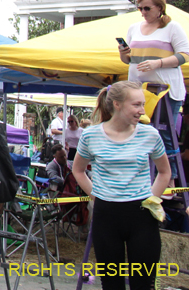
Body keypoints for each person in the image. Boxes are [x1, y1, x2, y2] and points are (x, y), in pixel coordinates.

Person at [72, 81, 170, 290]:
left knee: (143, 284)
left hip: (142, 216)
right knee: (111, 284)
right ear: (117, 104)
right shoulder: (90, 135)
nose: (141, 111)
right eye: (136, 105)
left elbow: (165, 172)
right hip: (106, 215)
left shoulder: (150, 134)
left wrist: (152, 198)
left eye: (143, 105)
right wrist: (96, 195)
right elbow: (78, 170)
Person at [118, 0, 189, 179]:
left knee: (164, 134)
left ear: (159, 8)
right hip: (138, 90)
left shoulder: (172, 28)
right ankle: (141, 177)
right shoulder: (134, 28)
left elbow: (184, 55)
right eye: (140, 8)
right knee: (137, 131)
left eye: (147, 8)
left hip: (165, 92)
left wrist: (159, 63)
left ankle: (170, 178)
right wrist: (123, 54)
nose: (143, 12)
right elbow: (129, 61)